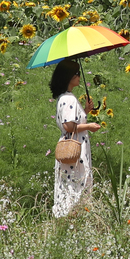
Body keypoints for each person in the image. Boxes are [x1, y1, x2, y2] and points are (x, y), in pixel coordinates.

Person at [51, 60, 103, 218]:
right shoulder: (69, 99)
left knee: (70, 184)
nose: (79, 77)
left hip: (72, 147)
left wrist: (85, 111)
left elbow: (73, 123)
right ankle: (72, 218)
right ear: (68, 76)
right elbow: (68, 126)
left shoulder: (65, 97)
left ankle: (69, 219)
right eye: (76, 74)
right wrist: (89, 126)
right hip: (75, 149)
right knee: (76, 184)